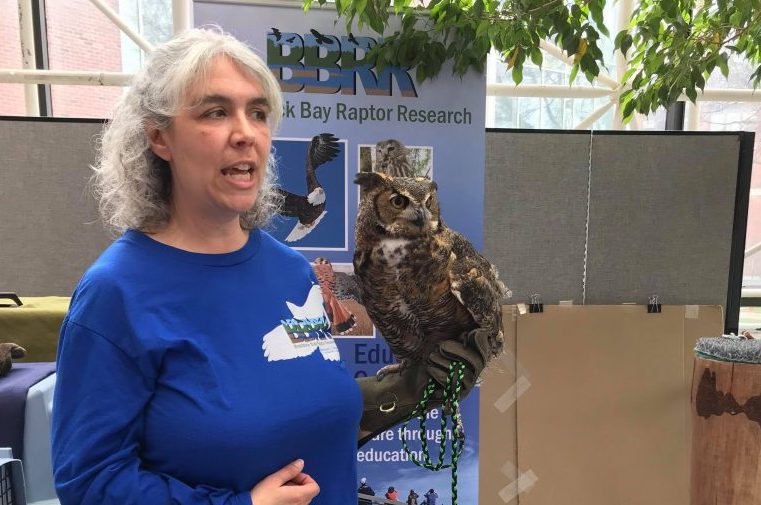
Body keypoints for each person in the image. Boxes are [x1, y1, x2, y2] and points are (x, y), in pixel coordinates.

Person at [51, 26, 489, 505]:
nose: (245, 133)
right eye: (216, 112)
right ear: (160, 138)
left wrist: (407, 389)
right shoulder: (116, 294)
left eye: (258, 113)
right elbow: (89, 483)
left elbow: (293, 406)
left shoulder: (289, 271)